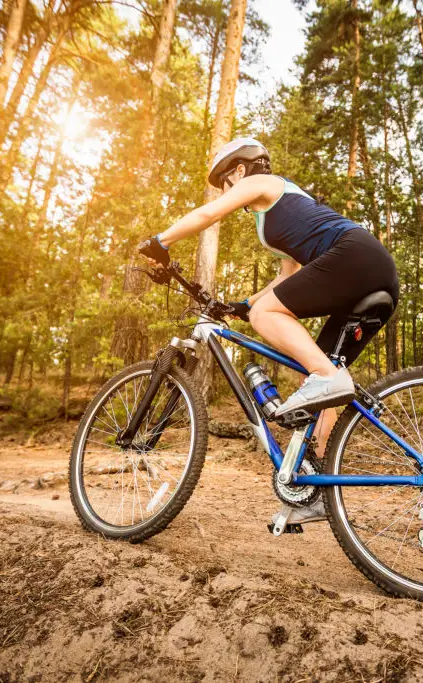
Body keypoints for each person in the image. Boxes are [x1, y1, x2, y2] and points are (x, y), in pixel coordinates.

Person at [138, 138, 399, 524]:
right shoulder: (281, 211)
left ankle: (326, 377)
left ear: (239, 171)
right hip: (372, 272)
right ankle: (317, 487)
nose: (229, 192)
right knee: (316, 374)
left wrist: (161, 241)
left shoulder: (263, 183)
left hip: (355, 256)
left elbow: (208, 214)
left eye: (226, 182)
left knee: (277, 327)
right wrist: (244, 303)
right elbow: (288, 275)